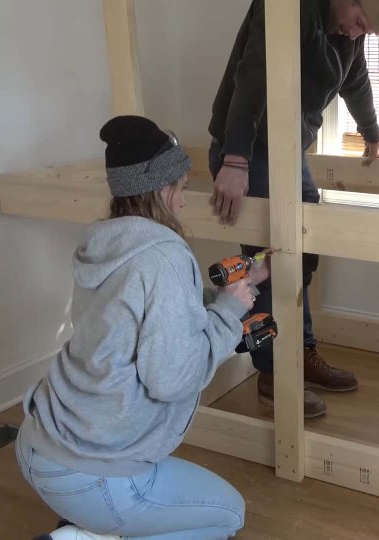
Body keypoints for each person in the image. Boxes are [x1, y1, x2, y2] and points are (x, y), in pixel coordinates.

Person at [16, 115, 268, 540]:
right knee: (227, 516)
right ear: (160, 188)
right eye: (182, 188)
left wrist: (245, 285)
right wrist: (228, 313)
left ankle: (87, 527)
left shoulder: (105, 243)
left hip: (38, 445)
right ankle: (81, 536)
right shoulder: (164, 256)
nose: (184, 202)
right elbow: (173, 378)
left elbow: (152, 314)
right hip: (94, 473)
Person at [207, 0, 379, 418]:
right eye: (359, 23)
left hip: (289, 151)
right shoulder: (289, 7)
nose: (357, 34)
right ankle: (272, 373)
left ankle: (299, 355)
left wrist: (371, 132)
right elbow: (253, 75)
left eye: (366, 33)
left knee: (299, 257)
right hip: (251, 149)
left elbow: (355, 79)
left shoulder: (348, 35)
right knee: (266, 268)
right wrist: (235, 159)